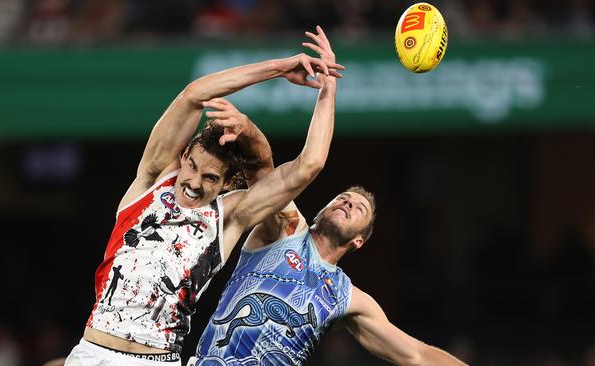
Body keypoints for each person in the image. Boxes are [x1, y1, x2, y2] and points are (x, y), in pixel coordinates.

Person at [64, 27, 344, 366]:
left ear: (227, 185)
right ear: (183, 158)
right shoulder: (150, 181)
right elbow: (193, 96)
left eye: (210, 178)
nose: (194, 183)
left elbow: (308, 165)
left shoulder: (229, 216)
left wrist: (328, 86)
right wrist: (278, 68)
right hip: (91, 352)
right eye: (192, 167)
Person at [189, 28, 467, 366]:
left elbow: (416, 354)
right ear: (320, 211)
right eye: (342, 198)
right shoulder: (284, 231)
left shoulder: (346, 297)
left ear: (359, 241)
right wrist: (250, 127)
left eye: (358, 207)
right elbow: (264, 167)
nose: (347, 202)